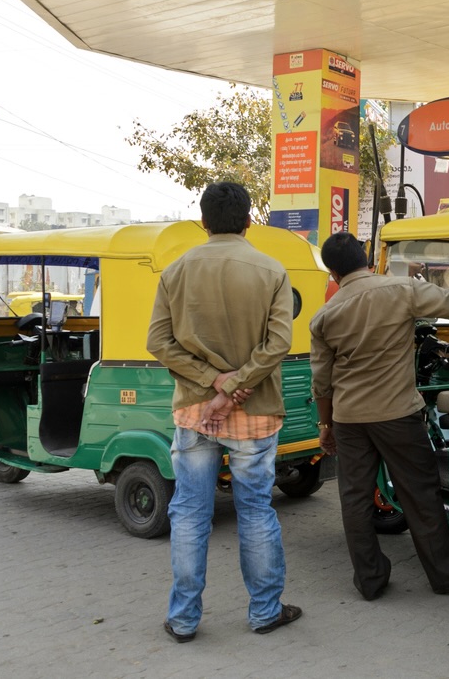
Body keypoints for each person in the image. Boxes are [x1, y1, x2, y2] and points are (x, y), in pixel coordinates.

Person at [311, 232, 449, 601]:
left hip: (349, 419)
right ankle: (446, 577)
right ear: (366, 258)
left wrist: (326, 427)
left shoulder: (324, 316)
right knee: (420, 494)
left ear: (333, 272)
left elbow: (321, 383)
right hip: (397, 415)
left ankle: (370, 581)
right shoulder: (399, 290)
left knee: (354, 499)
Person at [147, 182, 302, 642]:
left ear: (203, 222)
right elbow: (279, 343)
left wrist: (212, 382)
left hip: (195, 412)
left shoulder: (175, 271)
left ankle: (183, 620)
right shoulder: (272, 270)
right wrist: (233, 386)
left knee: (190, 514)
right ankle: (265, 612)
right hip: (255, 412)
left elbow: (158, 342)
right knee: (255, 512)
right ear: (249, 221)